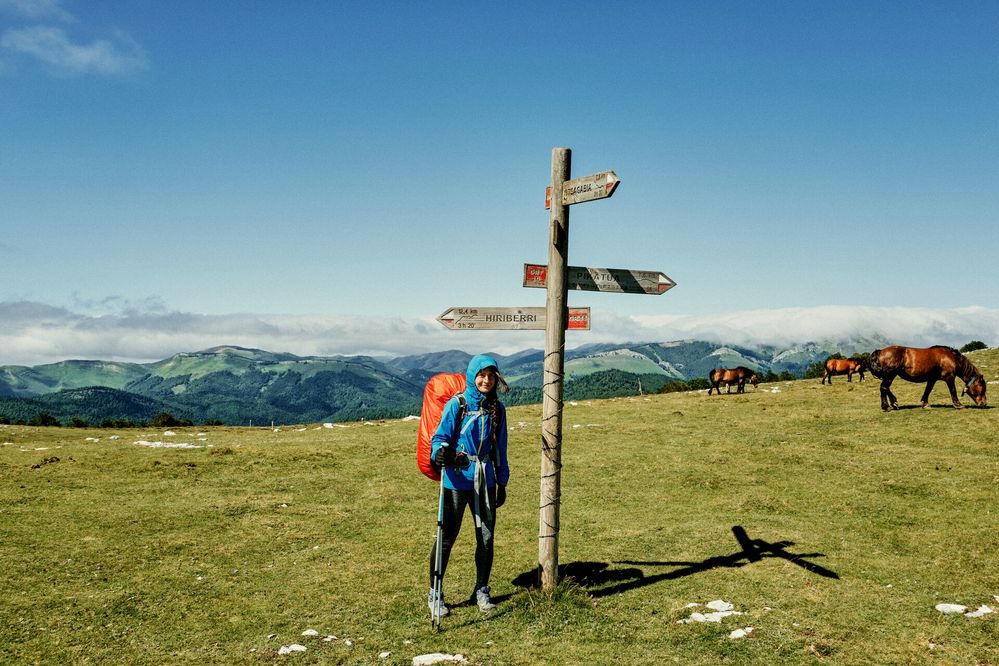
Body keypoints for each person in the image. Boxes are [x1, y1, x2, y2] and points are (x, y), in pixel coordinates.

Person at [427, 354, 509, 617]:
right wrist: (440, 453)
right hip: (456, 479)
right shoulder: (458, 404)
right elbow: (440, 438)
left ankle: (482, 590)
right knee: (447, 537)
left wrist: (502, 480)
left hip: (485, 478)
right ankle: (435, 594)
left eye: (491, 375)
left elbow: (501, 448)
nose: (486, 380)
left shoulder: (498, 409)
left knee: (486, 538)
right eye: (481, 375)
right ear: (473, 376)